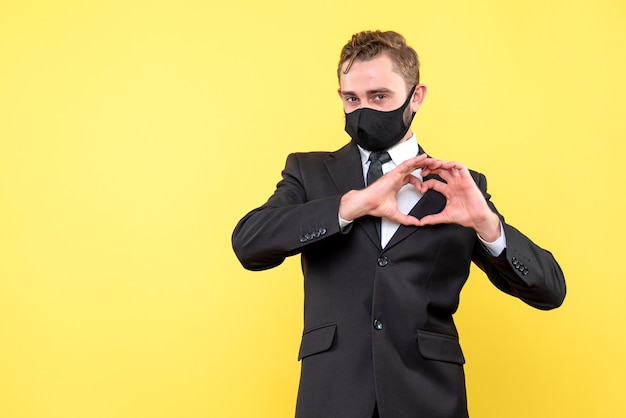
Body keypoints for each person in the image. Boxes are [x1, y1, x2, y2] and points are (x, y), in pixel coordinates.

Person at [231, 30, 566, 418]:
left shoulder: (459, 187)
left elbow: (550, 291)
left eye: (379, 97)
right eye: (351, 99)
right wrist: (353, 204)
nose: (363, 110)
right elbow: (249, 243)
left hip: (428, 398)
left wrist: (487, 226)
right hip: (333, 396)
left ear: (416, 97)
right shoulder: (308, 172)